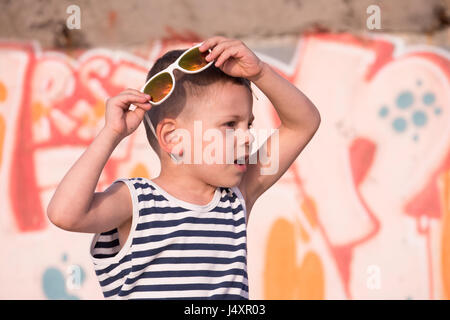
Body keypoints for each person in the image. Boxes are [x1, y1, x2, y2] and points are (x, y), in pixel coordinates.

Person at [47, 36, 321, 299]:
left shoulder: (236, 198)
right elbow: (65, 214)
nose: (247, 137)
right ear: (173, 138)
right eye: (229, 125)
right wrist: (111, 133)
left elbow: (303, 123)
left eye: (247, 124)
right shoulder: (137, 201)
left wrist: (259, 72)